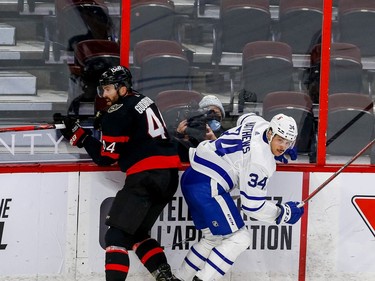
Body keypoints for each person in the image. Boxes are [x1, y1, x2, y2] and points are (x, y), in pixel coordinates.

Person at [55, 65, 182, 281]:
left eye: (107, 89)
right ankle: (167, 278)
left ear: (122, 88)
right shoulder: (144, 100)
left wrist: (81, 136)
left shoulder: (116, 112)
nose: (104, 95)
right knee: (137, 234)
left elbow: (106, 157)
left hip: (146, 176)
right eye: (101, 90)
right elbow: (136, 131)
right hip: (169, 177)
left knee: (115, 236)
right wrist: (102, 125)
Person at [174, 113, 304, 281]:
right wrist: (282, 212)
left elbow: (245, 117)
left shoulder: (259, 124)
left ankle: (179, 278)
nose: (284, 146)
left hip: (192, 176)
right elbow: (252, 206)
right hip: (208, 185)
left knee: (212, 238)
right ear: (270, 133)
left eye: (288, 142)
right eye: (281, 140)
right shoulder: (260, 162)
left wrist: (277, 146)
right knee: (240, 238)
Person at [175, 95, 226, 162]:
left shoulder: (226, 136)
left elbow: (229, 159)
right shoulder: (190, 131)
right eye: (207, 113)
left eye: (215, 113)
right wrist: (179, 137)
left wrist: (215, 142)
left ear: (221, 116)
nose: (211, 116)